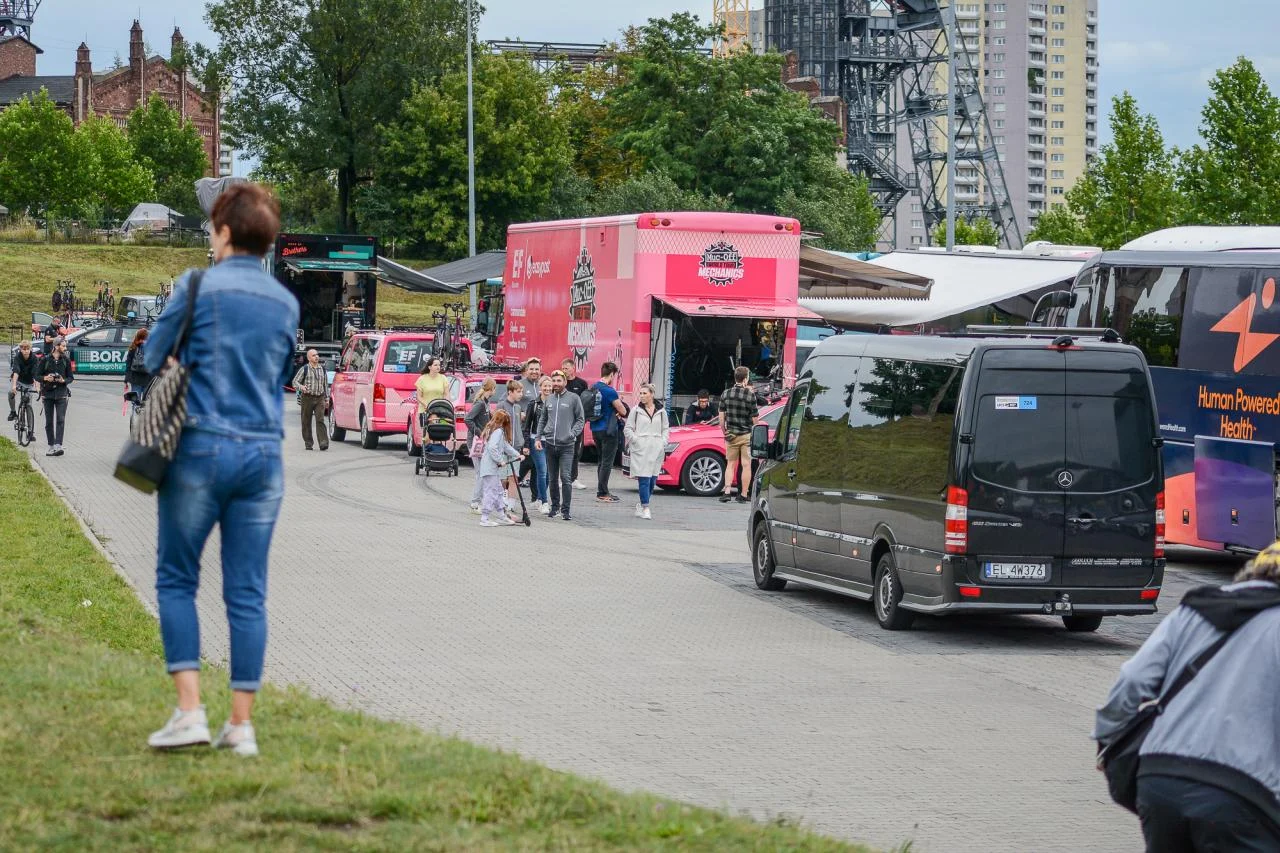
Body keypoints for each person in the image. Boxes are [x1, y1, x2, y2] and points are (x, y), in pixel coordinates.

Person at [141, 181, 299, 757]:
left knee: (177, 578)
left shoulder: (196, 285)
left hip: (201, 448)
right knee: (248, 592)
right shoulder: (285, 302)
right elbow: (278, 370)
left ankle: (189, 712)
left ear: (225, 232)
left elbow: (152, 357)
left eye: (212, 229)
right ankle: (241, 724)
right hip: (263, 456)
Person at [1094, 545, 1280, 851]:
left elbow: (1133, 679)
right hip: (1243, 795)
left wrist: (1106, 738)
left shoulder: (1196, 607)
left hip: (1160, 780)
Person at [537, 369, 585, 521]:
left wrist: (572, 433)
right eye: (554, 381)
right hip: (550, 444)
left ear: (565, 382)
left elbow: (580, 419)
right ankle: (555, 507)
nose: (556, 383)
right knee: (552, 478)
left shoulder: (573, 398)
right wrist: (538, 437)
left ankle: (566, 510)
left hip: (567, 446)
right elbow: (543, 419)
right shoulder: (549, 399)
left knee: (565, 477)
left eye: (559, 381)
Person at [625, 383, 670, 520]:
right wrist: (636, 440)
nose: (642, 396)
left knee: (652, 479)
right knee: (644, 478)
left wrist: (663, 442)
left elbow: (665, 428)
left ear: (652, 394)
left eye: (645, 393)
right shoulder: (636, 410)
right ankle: (646, 507)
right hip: (641, 449)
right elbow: (628, 428)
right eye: (641, 393)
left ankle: (641, 503)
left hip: (656, 449)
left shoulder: (661, 411)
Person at [719, 366, 759, 503]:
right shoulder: (750, 395)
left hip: (731, 435)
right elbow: (755, 419)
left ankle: (727, 492)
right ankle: (743, 494)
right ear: (746, 378)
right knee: (746, 465)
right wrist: (755, 431)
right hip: (746, 435)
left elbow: (721, 418)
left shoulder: (726, 393)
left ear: (735, 377)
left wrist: (725, 432)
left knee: (730, 464)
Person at [478, 409, 524, 527]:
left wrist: (517, 455)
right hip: (490, 467)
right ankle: (484, 518)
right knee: (491, 492)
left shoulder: (495, 430)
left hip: (491, 467)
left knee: (498, 491)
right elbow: (492, 448)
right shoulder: (498, 431)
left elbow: (506, 446)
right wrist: (500, 460)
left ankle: (502, 516)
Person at [590, 361, 627, 503]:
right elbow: (623, 411)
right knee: (607, 462)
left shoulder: (594, 387)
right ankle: (603, 492)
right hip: (609, 430)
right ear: (611, 374)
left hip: (595, 429)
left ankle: (601, 490)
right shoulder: (609, 391)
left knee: (601, 461)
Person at [465, 377, 497, 513]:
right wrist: (479, 432)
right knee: (480, 473)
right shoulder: (480, 404)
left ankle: (481, 501)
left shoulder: (485, 403)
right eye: (494, 388)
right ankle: (475, 502)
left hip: (482, 441)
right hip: (476, 442)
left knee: (482, 472)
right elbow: (468, 419)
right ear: (492, 389)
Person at [38, 336, 73, 456]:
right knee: (49, 422)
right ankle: (51, 446)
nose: (65, 348)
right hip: (47, 394)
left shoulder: (66, 360)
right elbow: (37, 375)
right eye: (63, 346)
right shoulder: (45, 359)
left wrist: (63, 380)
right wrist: (45, 378)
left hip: (61, 394)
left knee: (60, 420)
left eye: (65, 346)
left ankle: (58, 445)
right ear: (56, 346)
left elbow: (71, 377)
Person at [292, 348, 329, 451]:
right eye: (313, 355)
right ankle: (308, 443)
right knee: (306, 421)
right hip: (307, 398)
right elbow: (294, 382)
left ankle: (323, 442)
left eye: (317, 354)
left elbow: (325, 385)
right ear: (309, 358)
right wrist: (301, 387)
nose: (316, 356)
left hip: (320, 398)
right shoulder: (304, 369)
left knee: (320, 420)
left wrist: (327, 399)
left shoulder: (322, 369)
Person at [524, 375, 552, 511]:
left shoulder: (555, 402)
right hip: (536, 441)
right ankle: (544, 502)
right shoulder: (533, 404)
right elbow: (527, 426)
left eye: (549, 386)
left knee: (548, 474)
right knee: (542, 470)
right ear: (540, 387)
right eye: (545, 386)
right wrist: (526, 444)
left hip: (551, 441)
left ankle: (540, 498)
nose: (547, 388)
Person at [561, 358, 589, 490]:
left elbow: (586, 402)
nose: (564, 371)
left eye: (566, 368)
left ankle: (574, 478)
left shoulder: (582, 383)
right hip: (563, 422)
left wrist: (584, 419)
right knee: (562, 450)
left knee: (576, 451)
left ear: (573, 369)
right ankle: (563, 478)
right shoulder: (561, 383)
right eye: (563, 368)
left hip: (577, 422)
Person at [414, 356, 450, 448]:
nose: (438, 367)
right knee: (427, 435)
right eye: (435, 365)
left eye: (439, 365)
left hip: (439, 410)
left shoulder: (443, 378)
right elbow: (419, 396)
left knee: (437, 432)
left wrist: (445, 403)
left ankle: (437, 451)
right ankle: (427, 451)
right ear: (429, 367)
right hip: (425, 410)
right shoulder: (422, 379)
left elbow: (446, 394)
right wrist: (426, 404)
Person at [8, 339, 39, 422]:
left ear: (31, 349)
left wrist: (37, 387)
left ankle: (30, 429)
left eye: (28, 349)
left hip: (29, 382)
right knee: (10, 393)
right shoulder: (17, 357)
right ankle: (13, 412)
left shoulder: (34, 359)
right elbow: (16, 372)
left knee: (28, 404)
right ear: (20, 349)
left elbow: (35, 374)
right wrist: (14, 386)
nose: (26, 351)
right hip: (19, 380)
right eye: (24, 349)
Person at [123, 328, 152, 402]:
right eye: (141, 339)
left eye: (144, 339)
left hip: (138, 378)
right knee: (145, 402)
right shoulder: (151, 348)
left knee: (137, 402)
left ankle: (137, 408)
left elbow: (128, 365)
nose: (142, 341)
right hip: (146, 378)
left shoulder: (133, 348)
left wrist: (127, 379)